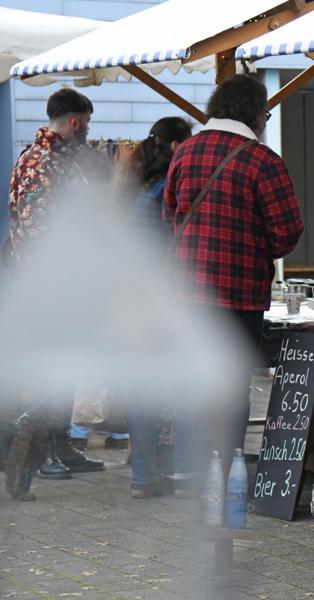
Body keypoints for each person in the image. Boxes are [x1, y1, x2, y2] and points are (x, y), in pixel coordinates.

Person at [164, 75, 303, 488]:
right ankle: (224, 469)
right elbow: (287, 232)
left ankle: (187, 465)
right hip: (239, 292)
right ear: (256, 113)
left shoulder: (185, 151)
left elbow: (169, 215)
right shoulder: (263, 160)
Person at [8, 88, 106, 481]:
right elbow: (37, 229)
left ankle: (59, 444)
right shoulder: (39, 162)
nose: (88, 130)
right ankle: (38, 453)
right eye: (87, 123)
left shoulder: (64, 163)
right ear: (75, 122)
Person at [120, 116, 193, 498]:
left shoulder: (133, 186)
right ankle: (181, 471)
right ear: (177, 145)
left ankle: (143, 476)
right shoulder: (165, 188)